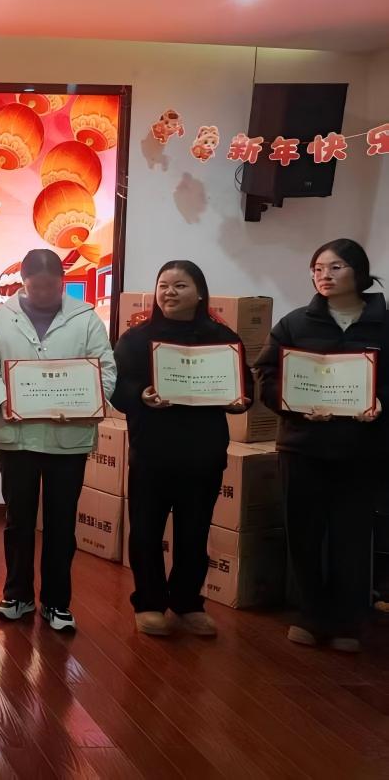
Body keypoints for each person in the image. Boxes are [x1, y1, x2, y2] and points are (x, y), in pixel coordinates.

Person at [0, 249, 115, 633]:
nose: (42, 294)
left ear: (62, 282)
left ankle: (57, 602)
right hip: (16, 436)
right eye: (34, 287)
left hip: (68, 437)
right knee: (18, 520)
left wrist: (86, 403)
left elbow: (105, 369)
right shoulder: (1, 319)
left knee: (61, 523)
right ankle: (17, 595)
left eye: (51, 287)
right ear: (23, 283)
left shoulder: (85, 318)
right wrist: (4, 401)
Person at [257, 238, 386, 653]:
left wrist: (381, 404)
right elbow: (267, 376)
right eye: (317, 269)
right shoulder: (295, 323)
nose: (324, 276)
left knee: (352, 536)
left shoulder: (383, 324)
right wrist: (293, 405)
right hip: (303, 445)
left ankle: (348, 621)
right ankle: (311, 615)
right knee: (304, 532)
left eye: (335, 267)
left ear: (358, 272)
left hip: (361, 450)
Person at [112, 261, 251, 637]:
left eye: (180, 286)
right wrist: (141, 395)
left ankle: (188, 602)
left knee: (194, 532)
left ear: (200, 292)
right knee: (146, 532)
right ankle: (149, 603)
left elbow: (245, 388)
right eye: (163, 285)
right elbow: (117, 388)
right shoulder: (136, 339)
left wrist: (239, 401)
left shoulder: (223, 338)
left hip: (203, 453)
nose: (170, 292)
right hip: (152, 451)